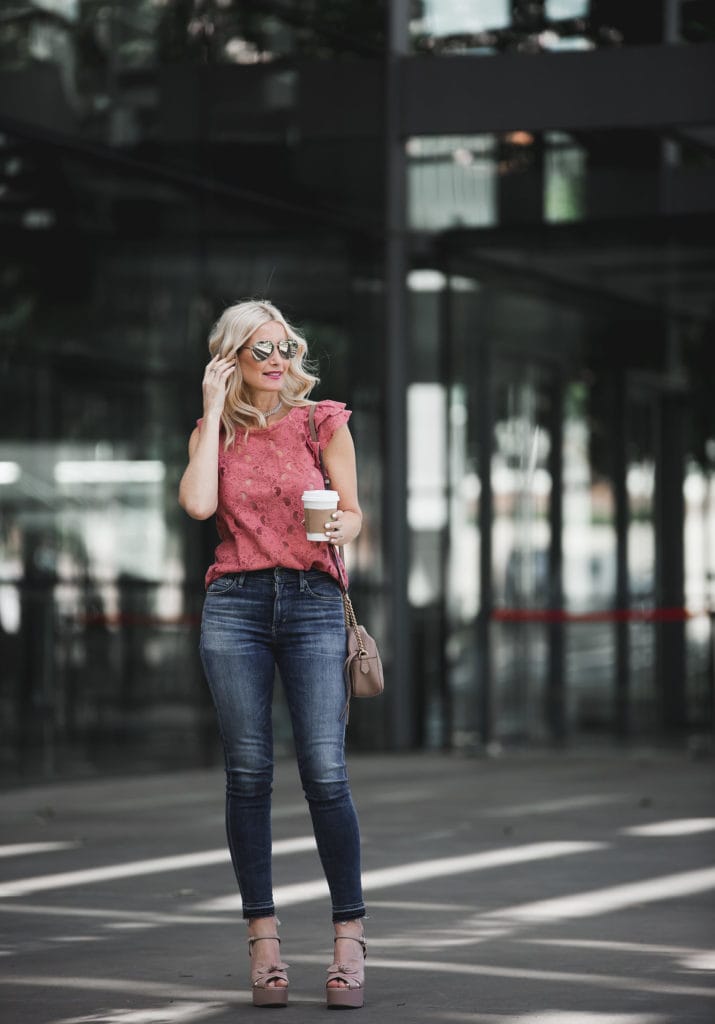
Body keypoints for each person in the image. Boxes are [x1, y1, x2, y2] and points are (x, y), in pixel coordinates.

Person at [178, 299, 367, 1009]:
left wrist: (339, 526)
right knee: (249, 771)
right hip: (236, 607)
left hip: (313, 602)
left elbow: (352, 510)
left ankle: (348, 935)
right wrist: (209, 405)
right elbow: (199, 506)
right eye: (259, 350)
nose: (277, 360)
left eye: (284, 346)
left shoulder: (324, 421)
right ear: (231, 357)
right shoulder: (214, 431)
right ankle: (263, 939)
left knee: (323, 768)